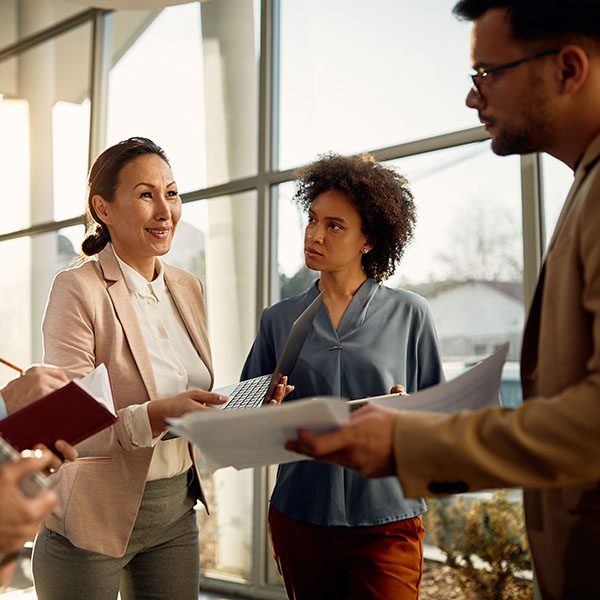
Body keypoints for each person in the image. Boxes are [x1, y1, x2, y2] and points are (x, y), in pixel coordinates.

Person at [287, 1, 600, 598]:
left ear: (567, 69)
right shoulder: (587, 183)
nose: (471, 99)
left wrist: (412, 439)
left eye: (487, 74)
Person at [31, 137, 290, 600]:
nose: (165, 210)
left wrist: (240, 408)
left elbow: (189, 401)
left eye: (171, 193)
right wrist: (155, 415)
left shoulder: (188, 287)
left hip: (174, 513)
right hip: (92, 520)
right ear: (103, 208)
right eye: (146, 194)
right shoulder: (77, 289)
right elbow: (67, 424)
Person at [242, 153, 444, 599]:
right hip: (300, 514)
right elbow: (246, 419)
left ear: (368, 239)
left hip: (385, 519)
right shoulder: (278, 319)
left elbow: (441, 420)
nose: (314, 234)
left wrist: (409, 416)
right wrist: (267, 411)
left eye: (335, 226)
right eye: (312, 219)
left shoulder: (410, 313)